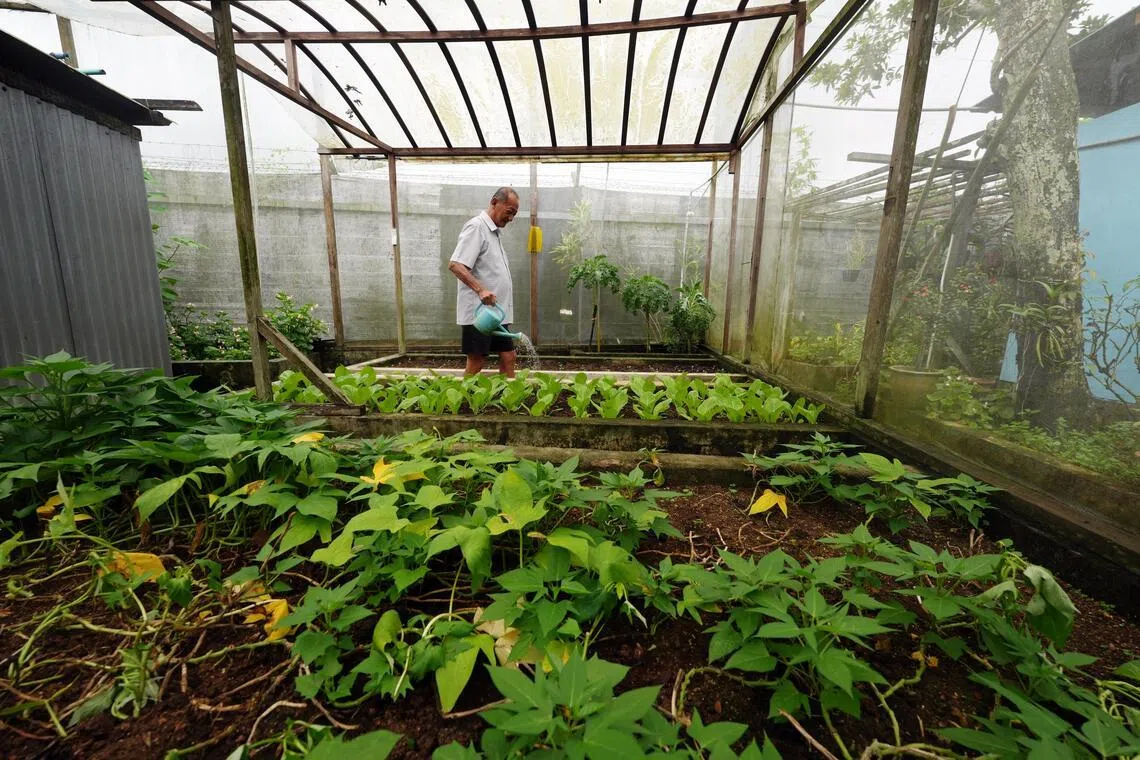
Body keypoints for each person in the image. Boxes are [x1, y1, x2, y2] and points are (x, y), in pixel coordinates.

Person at [448, 187, 520, 377]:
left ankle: (509, 395)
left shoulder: (494, 233)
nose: (511, 218)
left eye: (514, 214)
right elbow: (456, 265)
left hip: (496, 313)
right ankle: (461, 395)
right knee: (477, 360)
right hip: (479, 314)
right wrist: (480, 290)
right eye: (509, 212)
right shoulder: (477, 227)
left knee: (508, 356)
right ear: (494, 202)